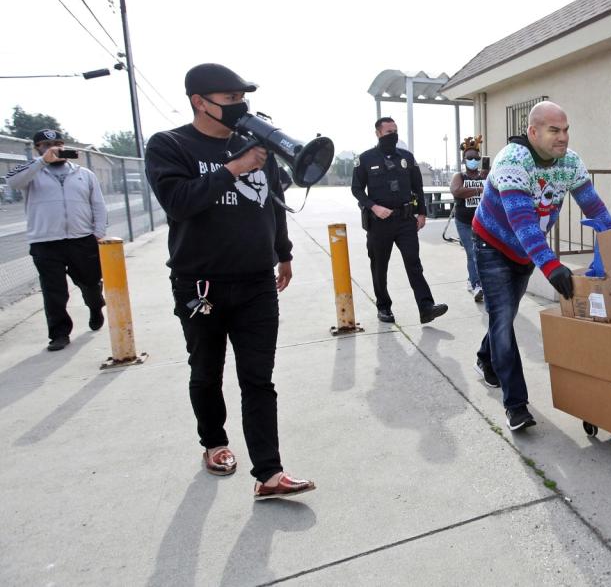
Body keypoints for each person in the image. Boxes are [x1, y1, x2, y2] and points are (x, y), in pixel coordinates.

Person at [145, 63, 314, 500]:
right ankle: (215, 443)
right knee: (206, 371)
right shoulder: (170, 145)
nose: (240, 106)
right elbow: (179, 203)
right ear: (200, 102)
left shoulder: (255, 146)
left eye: (243, 97)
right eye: (230, 99)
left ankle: (269, 474)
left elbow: (273, 206)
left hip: (257, 282)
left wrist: (284, 253)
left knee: (259, 378)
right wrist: (234, 168)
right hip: (200, 285)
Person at [472, 101, 611, 430]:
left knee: (501, 315)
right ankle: (516, 406)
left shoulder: (570, 162)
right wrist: (551, 266)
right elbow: (522, 223)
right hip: (492, 244)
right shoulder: (512, 161)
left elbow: (594, 206)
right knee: (504, 319)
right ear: (533, 132)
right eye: (554, 130)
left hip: (525, 252)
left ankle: (484, 357)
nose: (563, 137)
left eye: (565, 130)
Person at [6, 129, 106, 351]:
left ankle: (95, 306)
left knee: (90, 283)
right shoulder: (32, 173)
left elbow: (98, 204)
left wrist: (98, 232)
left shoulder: (84, 173)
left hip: (81, 239)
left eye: (58, 144)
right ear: (37, 148)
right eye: (45, 145)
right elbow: (12, 181)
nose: (53, 148)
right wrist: (41, 162)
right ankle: (59, 333)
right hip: (46, 242)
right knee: (54, 291)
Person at [351, 116, 447, 324]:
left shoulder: (406, 157)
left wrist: (421, 213)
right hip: (379, 223)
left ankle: (426, 307)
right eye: (388, 132)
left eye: (395, 131)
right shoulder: (366, 159)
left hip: (405, 221)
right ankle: (384, 307)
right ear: (378, 133)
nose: (393, 135)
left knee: (414, 263)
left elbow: (417, 187)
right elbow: (356, 189)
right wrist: (374, 207)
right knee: (380, 267)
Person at [449, 136, 487, 302]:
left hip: (483, 221)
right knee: (472, 252)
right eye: (470, 158)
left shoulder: (485, 175)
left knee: (483, 254)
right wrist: (479, 189)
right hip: (464, 222)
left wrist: (485, 178)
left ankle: (473, 280)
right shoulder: (459, 176)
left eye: (476, 158)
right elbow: (456, 191)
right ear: (464, 160)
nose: (473, 160)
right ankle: (477, 284)